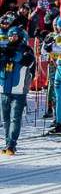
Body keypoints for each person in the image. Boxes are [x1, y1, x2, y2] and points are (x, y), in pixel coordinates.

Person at [1, 26, 35, 154]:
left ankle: (11, 144)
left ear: (20, 36)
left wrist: (14, 55)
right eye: (10, 36)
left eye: (14, 36)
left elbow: (28, 62)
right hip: (3, 89)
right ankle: (7, 143)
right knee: (5, 119)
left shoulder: (27, 50)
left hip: (19, 90)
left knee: (15, 118)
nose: (11, 38)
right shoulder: (4, 49)